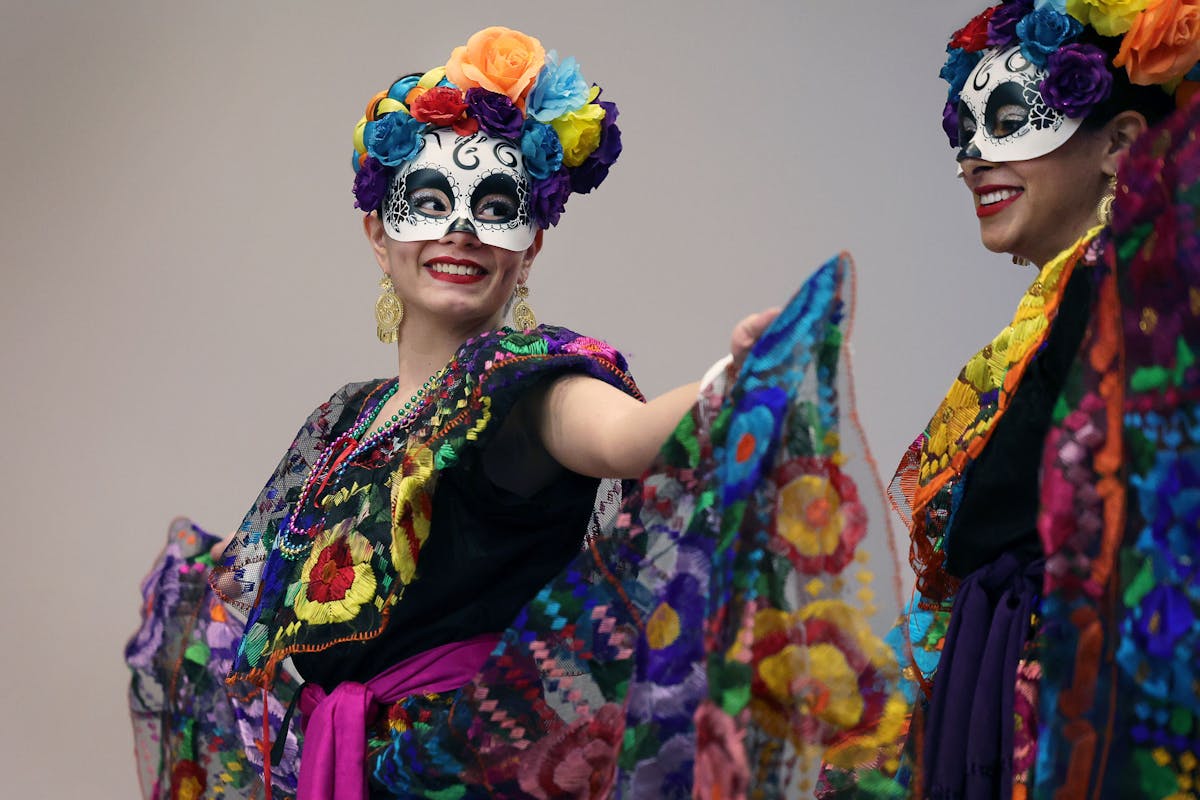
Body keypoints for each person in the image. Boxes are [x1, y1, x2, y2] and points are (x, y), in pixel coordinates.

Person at [128, 26, 903, 800]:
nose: (460, 228)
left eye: (495, 206)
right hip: (349, 772)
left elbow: (625, 436)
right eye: (429, 202)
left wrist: (729, 381)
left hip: (475, 774)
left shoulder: (529, 386)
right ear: (378, 233)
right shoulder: (343, 419)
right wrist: (196, 572)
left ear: (528, 247)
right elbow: (263, 571)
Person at [818, 2, 1200, 798]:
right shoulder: (1072, 306)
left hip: (1092, 703)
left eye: (1010, 119)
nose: (973, 159)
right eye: (964, 133)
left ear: (1122, 146)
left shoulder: (1135, 292)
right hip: (1014, 682)